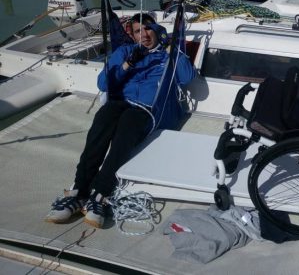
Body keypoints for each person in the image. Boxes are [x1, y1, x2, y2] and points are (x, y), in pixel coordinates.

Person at [45, 13, 196, 228]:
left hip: (148, 109)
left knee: (128, 123)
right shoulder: (125, 52)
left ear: (157, 30)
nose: (144, 35)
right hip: (120, 102)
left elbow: (187, 77)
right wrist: (128, 64)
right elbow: (103, 84)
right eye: (138, 31)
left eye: (148, 28)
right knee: (103, 119)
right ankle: (79, 191)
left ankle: (100, 193)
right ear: (132, 35)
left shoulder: (167, 55)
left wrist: (171, 48)